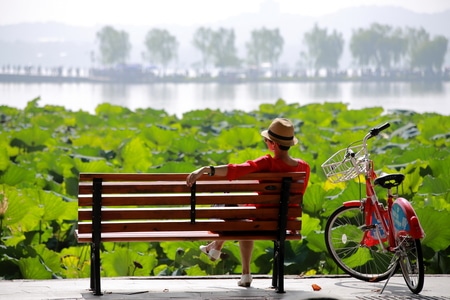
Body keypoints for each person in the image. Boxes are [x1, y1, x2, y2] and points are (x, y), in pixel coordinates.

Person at [186, 117, 310, 287]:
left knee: (236, 212)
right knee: (244, 213)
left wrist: (207, 169)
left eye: (266, 140)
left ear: (272, 143)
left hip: (257, 221)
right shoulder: (304, 167)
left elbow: (235, 170)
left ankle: (219, 251)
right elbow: (297, 197)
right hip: (283, 223)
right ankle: (218, 251)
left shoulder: (266, 162)